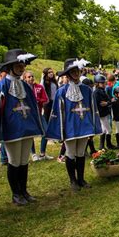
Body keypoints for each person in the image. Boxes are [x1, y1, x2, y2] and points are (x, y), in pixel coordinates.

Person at [0, 49, 44, 206]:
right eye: (18, 64)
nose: (22, 67)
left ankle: (24, 191)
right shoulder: (1, 86)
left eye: (23, 64)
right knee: (14, 161)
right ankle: (16, 194)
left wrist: (37, 126)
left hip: (27, 128)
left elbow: (33, 107)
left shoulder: (26, 86)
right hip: (12, 129)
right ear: (10, 66)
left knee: (23, 160)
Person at [46, 58, 102, 191]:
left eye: (77, 70)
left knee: (81, 153)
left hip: (84, 126)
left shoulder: (87, 90)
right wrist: (61, 131)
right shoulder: (62, 91)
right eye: (72, 71)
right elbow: (58, 112)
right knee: (70, 153)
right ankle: (73, 181)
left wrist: (93, 126)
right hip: (70, 127)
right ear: (68, 73)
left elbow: (92, 108)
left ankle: (81, 179)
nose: (76, 73)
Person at [23, 70, 52, 162]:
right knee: (30, 133)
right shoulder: (23, 88)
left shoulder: (39, 87)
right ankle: (33, 154)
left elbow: (46, 99)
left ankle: (42, 153)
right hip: (28, 115)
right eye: (29, 77)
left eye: (32, 76)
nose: (31, 78)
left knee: (47, 131)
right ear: (25, 78)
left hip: (39, 113)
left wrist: (38, 100)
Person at [93, 74, 115, 150]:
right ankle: (106, 145)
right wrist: (107, 103)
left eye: (104, 83)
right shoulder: (96, 92)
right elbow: (98, 103)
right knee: (108, 129)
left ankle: (103, 146)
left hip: (105, 112)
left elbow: (109, 100)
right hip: (101, 113)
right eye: (102, 83)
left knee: (105, 129)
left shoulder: (103, 91)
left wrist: (107, 103)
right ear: (97, 83)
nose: (104, 84)